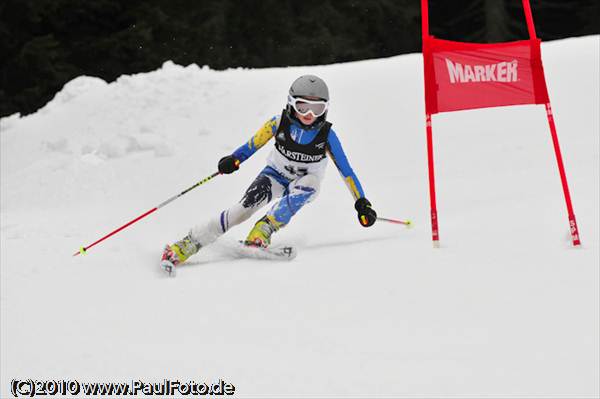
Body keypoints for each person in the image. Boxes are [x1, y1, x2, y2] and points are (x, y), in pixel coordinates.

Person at [161, 74, 377, 267]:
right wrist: (234, 159)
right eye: (302, 107)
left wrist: (362, 202)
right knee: (240, 212)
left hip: (303, 184)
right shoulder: (278, 123)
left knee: (311, 183)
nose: (309, 114)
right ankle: (188, 244)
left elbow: (346, 171)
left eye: (317, 108)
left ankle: (263, 229)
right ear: (291, 103)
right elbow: (251, 146)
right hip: (273, 177)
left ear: (326, 108)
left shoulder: (327, 135)